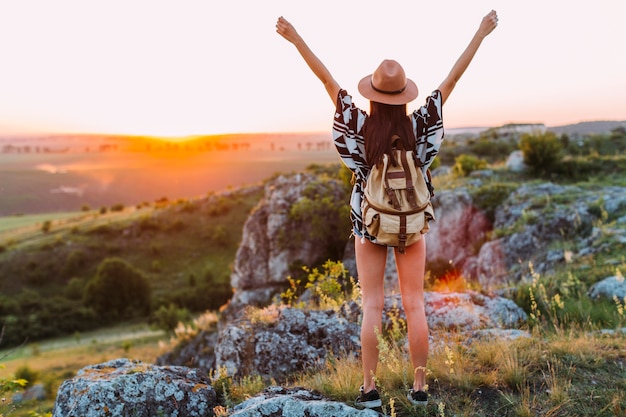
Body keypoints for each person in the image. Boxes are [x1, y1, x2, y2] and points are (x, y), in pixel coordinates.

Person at [276, 10, 498, 408]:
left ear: (372, 95)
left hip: (370, 224)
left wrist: (295, 38)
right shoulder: (424, 123)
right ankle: (419, 389)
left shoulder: (357, 124)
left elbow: (326, 80)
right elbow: (452, 79)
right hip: (412, 225)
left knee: (373, 305)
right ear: (405, 96)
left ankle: (370, 390)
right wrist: (481, 33)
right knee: (415, 304)